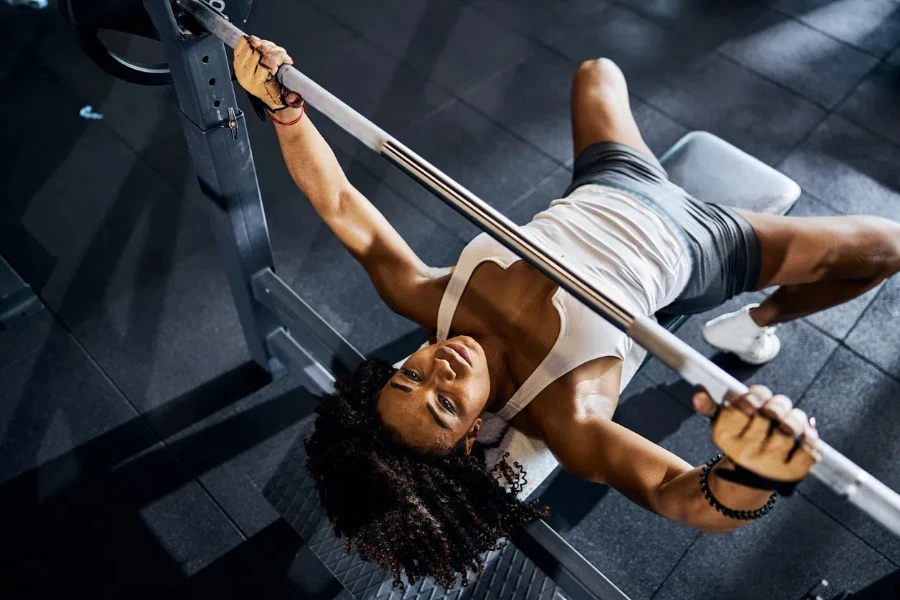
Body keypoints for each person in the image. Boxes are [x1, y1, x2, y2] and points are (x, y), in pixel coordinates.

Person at [234, 36, 900, 589]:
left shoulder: (427, 297)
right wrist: (751, 476)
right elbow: (675, 492)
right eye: (445, 403)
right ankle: (756, 323)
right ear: (472, 436)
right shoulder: (565, 416)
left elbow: (342, 207)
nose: (441, 368)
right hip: (704, 243)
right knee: (887, 250)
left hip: (612, 182)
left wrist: (284, 112)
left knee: (595, 69)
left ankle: (752, 320)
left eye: (411, 376)